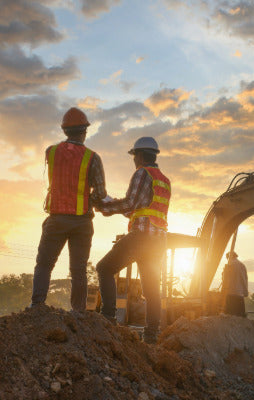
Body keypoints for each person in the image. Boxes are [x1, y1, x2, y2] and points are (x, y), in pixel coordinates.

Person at [31, 107, 109, 312]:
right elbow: (100, 194)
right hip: (82, 221)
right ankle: (79, 313)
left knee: (44, 265)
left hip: (56, 218)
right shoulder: (93, 158)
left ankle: (37, 306)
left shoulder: (51, 151)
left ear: (65, 131)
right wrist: (88, 198)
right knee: (78, 270)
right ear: (85, 131)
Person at [95, 136, 171, 344]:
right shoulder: (164, 180)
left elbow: (130, 204)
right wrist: (116, 208)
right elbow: (141, 210)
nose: (134, 161)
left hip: (141, 238)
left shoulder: (141, 173)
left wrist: (104, 207)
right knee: (152, 288)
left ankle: (108, 317)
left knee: (104, 268)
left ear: (139, 156)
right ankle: (151, 335)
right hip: (158, 240)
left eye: (134, 156)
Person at [221, 251, 248, 317]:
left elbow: (225, 279)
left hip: (231, 294)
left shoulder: (229, 265)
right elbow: (245, 279)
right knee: (240, 317)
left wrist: (223, 292)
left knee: (229, 316)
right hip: (240, 294)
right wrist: (245, 292)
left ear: (229, 257)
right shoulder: (242, 265)